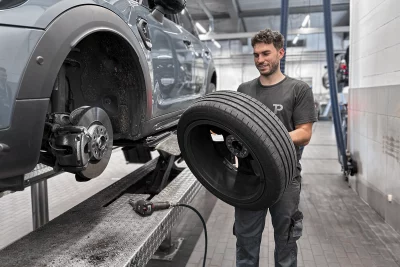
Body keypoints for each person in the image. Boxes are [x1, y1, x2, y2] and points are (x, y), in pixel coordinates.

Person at [234, 29, 317, 267]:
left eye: (266, 53)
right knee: (245, 244)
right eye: (256, 55)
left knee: (286, 243)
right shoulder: (245, 90)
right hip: (248, 178)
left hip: (285, 178)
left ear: (281, 53)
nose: (260, 60)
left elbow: (304, 133)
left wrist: (265, 138)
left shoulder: (298, 90)